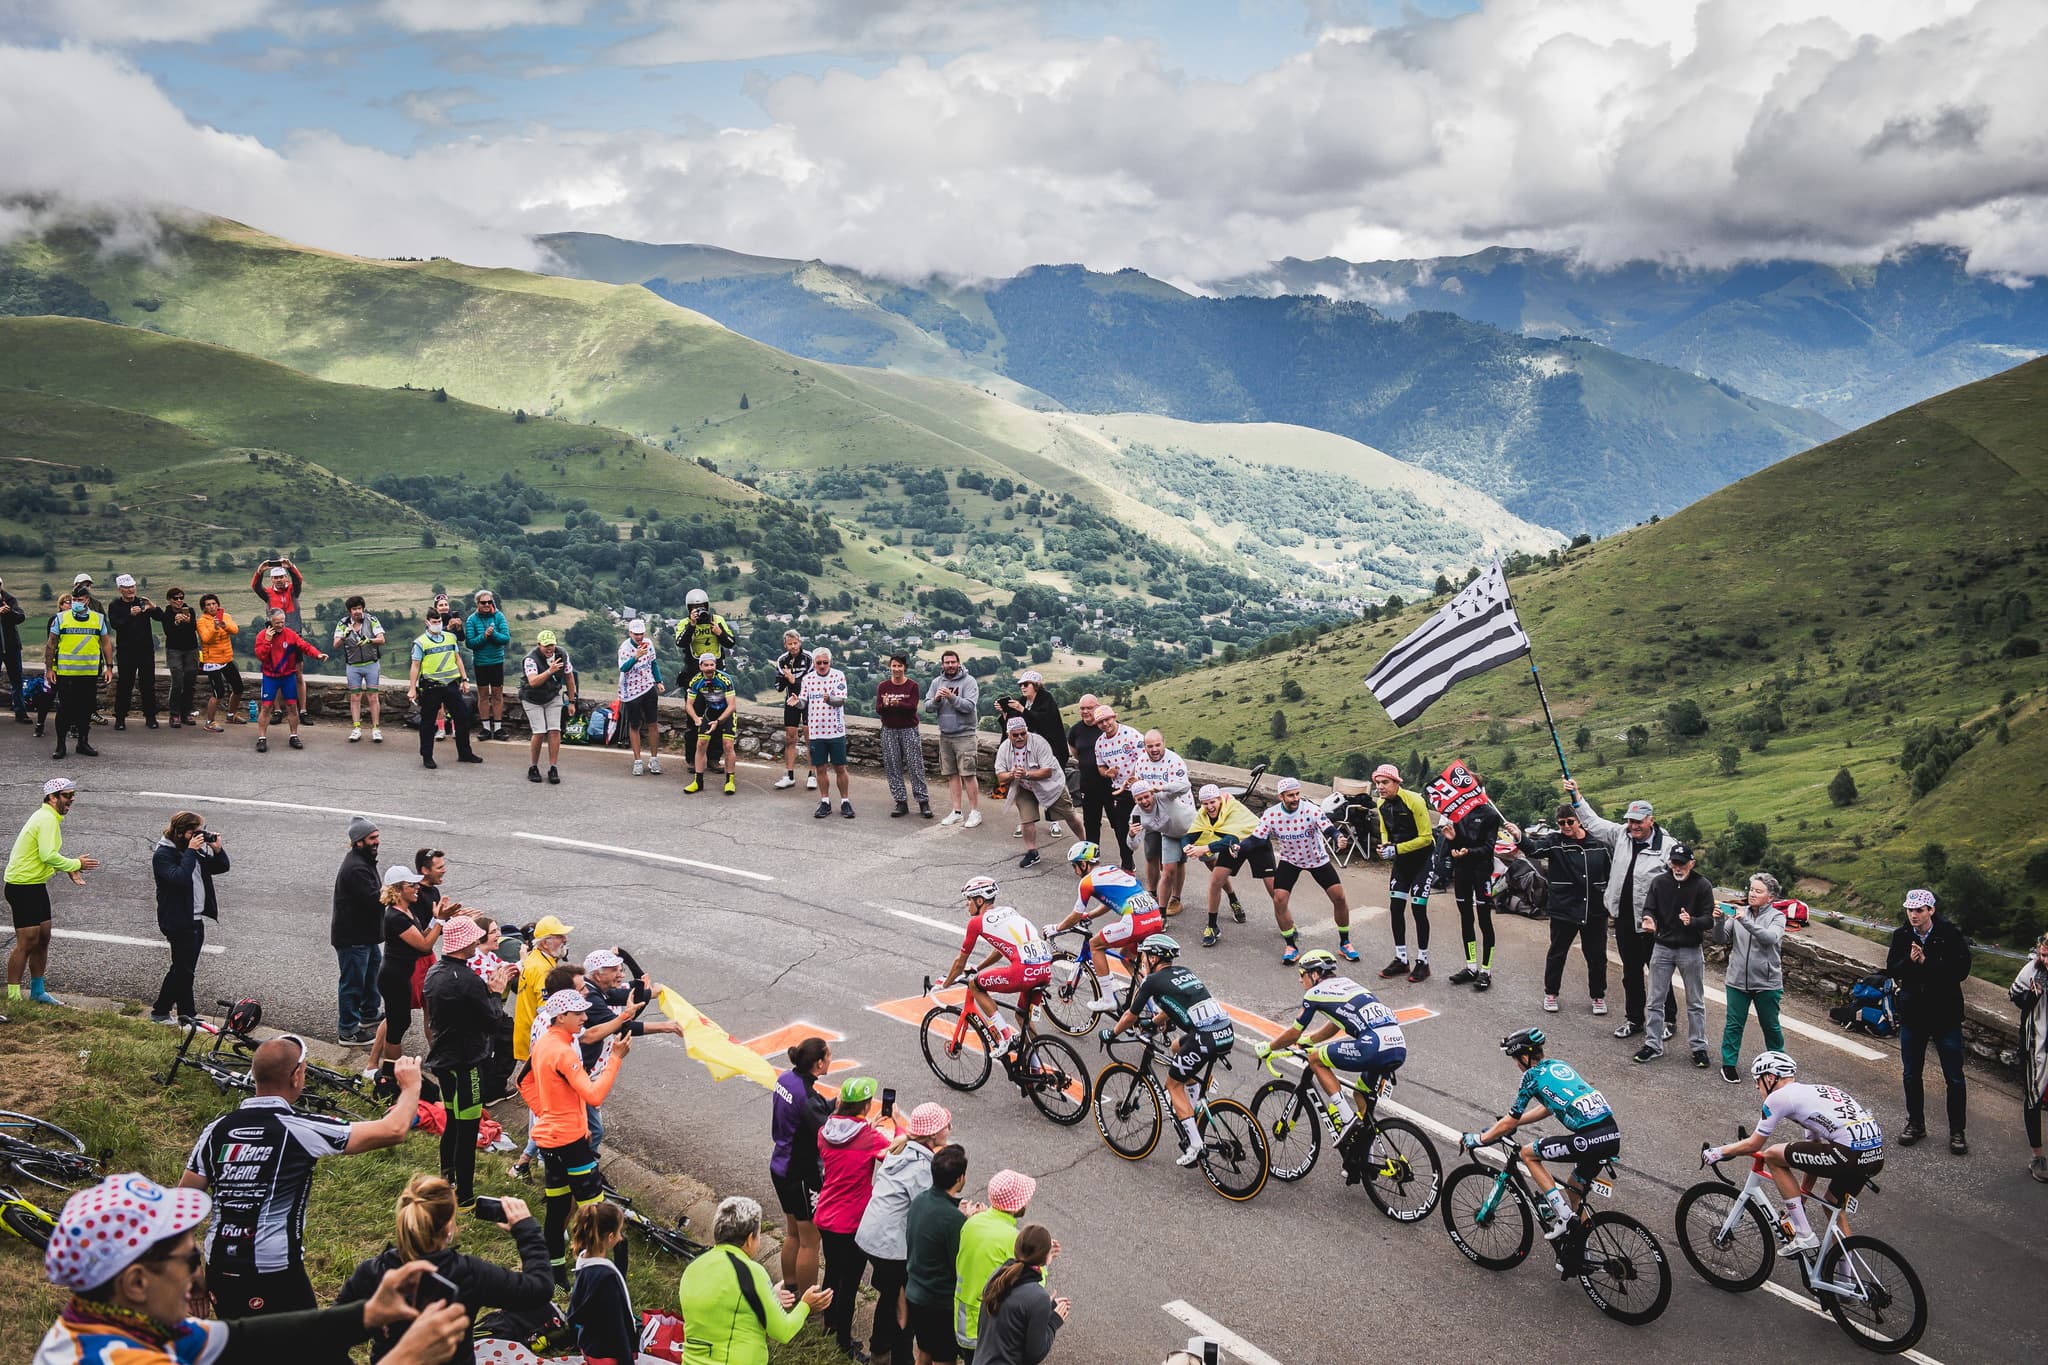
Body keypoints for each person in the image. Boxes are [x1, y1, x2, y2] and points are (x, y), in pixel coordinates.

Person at [37, 1173, 471, 1365]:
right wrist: (406, 1358)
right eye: (190, 1260)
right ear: (135, 1282)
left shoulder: (126, 1323)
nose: (196, 1274)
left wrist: (368, 1314)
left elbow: (248, 1337)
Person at [181, 1042, 425, 1315]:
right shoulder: (300, 1128)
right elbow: (394, 1130)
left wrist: (191, 1269)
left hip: (220, 1268)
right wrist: (411, 1086)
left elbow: (181, 1209)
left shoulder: (215, 1130)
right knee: (309, 1347)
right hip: (276, 1270)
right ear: (296, 1076)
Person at [337, 1176, 551, 1365]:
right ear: (449, 1228)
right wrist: (527, 1230)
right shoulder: (469, 1273)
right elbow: (539, 1289)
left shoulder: (372, 1272)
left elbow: (332, 1335)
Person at [1703, 1052, 1884, 1252]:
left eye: (1758, 1080)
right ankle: (1847, 1280)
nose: (1757, 1086)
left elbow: (1754, 1145)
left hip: (1849, 1154)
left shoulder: (1779, 1098)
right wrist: (1802, 1201)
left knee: (1771, 1155)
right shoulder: (1812, 1095)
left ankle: (1804, 1235)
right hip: (1874, 1156)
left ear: (1770, 1078)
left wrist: (1717, 1152)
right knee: (1832, 1206)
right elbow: (1814, 1154)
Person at [1461, 1028, 1619, 1242]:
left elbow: (1512, 1117)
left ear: (1525, 1057)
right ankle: (1583, 1249)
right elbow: (1548, 1108)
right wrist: (1509, 1123)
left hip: (1589, 1139)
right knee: (1575, 1188)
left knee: (1528, 1154)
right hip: (1611, 1135)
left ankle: (1563, 1217)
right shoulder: (1559, 1065)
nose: (1517, 1065)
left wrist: (1480, 1139)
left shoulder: (1531, 1076)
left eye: (1517, 1059)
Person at [521, 988, 632, 1280]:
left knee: (557, 1213)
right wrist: (616, 1058)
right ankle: (605, 1279)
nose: (585, 1017)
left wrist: (545, 1113)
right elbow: (594, 1095)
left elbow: (523, 1081)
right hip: (570, 1144)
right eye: (578, 1013)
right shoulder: (564, 1052)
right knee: (597, 1216)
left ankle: (557, 1285)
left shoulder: (545, 1042)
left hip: (549, 1141)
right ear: (561, 1017)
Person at [1098, 935, 1234, 1167]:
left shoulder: (1151, 981)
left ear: (1153, 957)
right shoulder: (1184, 971)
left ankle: (1195, 1144)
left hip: (1204, 1037)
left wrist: (1112, 1033)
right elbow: (1180, 1003)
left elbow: (1130, 1015)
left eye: (1143, 957)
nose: (1141, 961)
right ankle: (1194, 1103)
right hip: (1225, 1031)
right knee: (1175, 1047)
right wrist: (1156, 1020)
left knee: (1173, 1084)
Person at [1254, 949, 1407, 1143]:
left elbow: (1294, 1032)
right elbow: (1337, 1023)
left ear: (1315, 974)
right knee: (1361, 1098)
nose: (1301, 980)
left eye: (1302, 974)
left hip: (1373, 1045)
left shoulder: (1315, 993)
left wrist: (1269, 1047)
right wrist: (1310, 1041)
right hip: (1397, 1046)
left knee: (1315, 1059)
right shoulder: (1348, 984)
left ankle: (1346, 1118)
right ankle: (1363, 1163)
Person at [1565, 777, 1675, 1036]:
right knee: (1631, 973)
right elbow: (1593, 822)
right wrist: (1576, 795)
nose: (1633, 826)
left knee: (1659, 973)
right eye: (1630, 820)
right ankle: (1634, 1019)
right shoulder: (1621, 835)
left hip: (1652, 923)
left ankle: (1668, 1021)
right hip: (1625, 918)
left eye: (1638, 821)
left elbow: (1681, 881)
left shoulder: (1667, 847)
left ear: (1651, 820)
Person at [816, 1075, 909, 1356]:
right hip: (851, 1222)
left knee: (832, 1273)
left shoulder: (826, 1130)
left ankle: (828, 1325)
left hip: (825, 1215)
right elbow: (895, 1155)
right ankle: (844, 1343)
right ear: (867, 1105)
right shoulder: (868, 1138)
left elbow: (846, 1145)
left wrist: (862, 1127)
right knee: (849, 1284)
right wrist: (897, 1122)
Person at [677, 1195, 830, 1364]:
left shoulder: (694, 1266)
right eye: (758, 1236)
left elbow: (720, 1305)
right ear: (750, 1239)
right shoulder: (751, 1271)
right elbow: (783, 1331)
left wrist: (768, 1296)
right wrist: (806, 1305)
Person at [857, 1102, 953, 1365]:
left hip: (870, 1236)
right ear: (932, 1135)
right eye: (945, 1125)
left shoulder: (900, 1148)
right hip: (891, 1247)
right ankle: (897, 1358)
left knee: (891, 1297)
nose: (950, 1128)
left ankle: (879, 1351)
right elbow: (926, 1211)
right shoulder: (923, 1168)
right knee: (905, 1309)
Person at [1887, 887, 1973, 1154]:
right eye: (1910, 910)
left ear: (1931, 911)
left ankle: (1957, 1131)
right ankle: (1915, 1123)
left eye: (1919, 910)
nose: (1913, 915)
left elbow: (1961, 971)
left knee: (1954, 1077)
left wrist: (1927, 962)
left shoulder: (1950, 934)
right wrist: (1912, 963)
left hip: (1944, 1014)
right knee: (1911, 1073)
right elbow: (1893, 969)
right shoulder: (1901, 935)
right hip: (1914, 1014)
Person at [422, 915, 498, 1205]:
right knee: (467, 1130)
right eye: (475, 938)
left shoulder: (435, 972)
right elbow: (491, 1022)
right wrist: (494, 992)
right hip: (467, 1064)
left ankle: (446, 1178)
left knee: (452, 1122)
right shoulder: (469, 981)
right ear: (466, 942)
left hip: (443, 1060)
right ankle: (464, 1198)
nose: (478, 943)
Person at [579, 947, 686, 1150]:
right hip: (581, 1071)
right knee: (593, 1130)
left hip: (587, 1069)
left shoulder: (597, 988)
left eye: (620, 969)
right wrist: (665, 1026)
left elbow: (632, 994)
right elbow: (622, 1026)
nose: (620, 974)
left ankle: (534, 1161)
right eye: (614, 970)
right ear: (597, 974)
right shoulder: (591, 998)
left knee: (588, 1126)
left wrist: (653, 991)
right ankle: (584, 1172)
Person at [1508, 805, 1611, 1013]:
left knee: (1597, 956)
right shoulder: (1555, 842)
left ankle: (1598, 996)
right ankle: (1551, 993)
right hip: (1564, 908)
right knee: (1557, 953)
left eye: (1570, 822)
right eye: (1561, 823)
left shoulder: (1600, 844)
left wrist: (1610, 901)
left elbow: (1610, 874)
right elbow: (1534, 849)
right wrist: (1519, 836)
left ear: (1579, 821)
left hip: (1594, 909)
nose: (1566, 826)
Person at [7, 777, 97, 1004]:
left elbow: (45, 856)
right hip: (22, 885)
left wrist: (66, 868)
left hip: (36, 885)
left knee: (43, 937)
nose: (72, 799)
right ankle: (13, 996)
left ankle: (38, 992)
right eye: (67, 796)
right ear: (52, 797)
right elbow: (47, 855)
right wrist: (75, 864)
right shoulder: (46, 819)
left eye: (73, 795)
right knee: (27, 941)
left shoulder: (50, 818)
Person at [1245, 776, 1353, 964]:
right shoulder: (1271, 814)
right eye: (1290, 796)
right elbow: (1255, 839)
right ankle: (1290, 946)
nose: (1295, 799)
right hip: (1290, 860)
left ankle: (1345, 942)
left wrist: (1338, 837)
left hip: (1316, 859)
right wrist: (1239, 847)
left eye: (1297, 794)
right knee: (1279, 899)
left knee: (1339, 897)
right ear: (1281, 797)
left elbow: (1328, 828)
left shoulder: (1310, 809)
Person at [941, 876, 1052, 1053]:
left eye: (969, 900)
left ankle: (1005, 1037)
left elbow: (960, 962)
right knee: (1022, 1017)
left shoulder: (977, 922)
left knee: (975, 985)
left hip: (1023, 971)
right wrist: (978, 967)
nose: (966, 904)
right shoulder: (1009, 911)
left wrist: (944, 984)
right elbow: (1000, 950)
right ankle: (1037, 1069)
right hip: (1045, 970)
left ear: (979, 900)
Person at [1046, 840, 1163, 1007]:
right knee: (1126, 956)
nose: (1075, 871)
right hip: (1154, 916)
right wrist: (1091, 915)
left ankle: (1108, 999)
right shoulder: (1113, 870)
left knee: (1095, 945)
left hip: (1135, 921)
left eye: (1075, 866)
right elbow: (1110, 901)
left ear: (1083, 863)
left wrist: (1055, 928)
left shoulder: (1087, 882)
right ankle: (1152, 1001)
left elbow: (1075, 915)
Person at [1633, 842, 1713, 1067]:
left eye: (1682, 864)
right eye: (1674, 863)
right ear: (1669, 863)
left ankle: (1699, 1047)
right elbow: (1649, 908)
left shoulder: (1702, 885)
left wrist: (1692, 921)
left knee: (1695, 1001)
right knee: (1654, 1000)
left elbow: (1709, 920)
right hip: (1663, 947)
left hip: (1690, 949)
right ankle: (1653, 1044)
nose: (1678, 868)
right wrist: (1649, 919)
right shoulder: (1659, 882)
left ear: (1692, 864)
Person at [149, 810, 229, 1026]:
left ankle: (166, 1013)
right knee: (184, 971)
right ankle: (183, 1017)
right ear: (182, 832)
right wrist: (192, 851)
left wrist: (217, 849)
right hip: (177, 920)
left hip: (194, 918)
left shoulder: (189, 849)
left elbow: (221, 867)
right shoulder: (163, 854)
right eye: (195, 832)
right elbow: (180, 879)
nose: (200, 836)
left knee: (183, 970)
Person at [770, 1036, 834, 1294]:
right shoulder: (808, 1098)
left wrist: (830, 1105)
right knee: (810, 1241)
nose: (831, 1059)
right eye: (828, 1056)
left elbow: (813, 1110)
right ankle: (808, 1303)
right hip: (801, 1174)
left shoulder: (786, 1079)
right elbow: (826, 1130)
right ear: (818, 1064)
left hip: (779, 1165)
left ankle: (791, 1287)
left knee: (792, 1233)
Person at [904, 1144, 977, 1365]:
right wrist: (966, 1221)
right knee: (945, 1359)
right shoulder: (953, 1219)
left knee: (924, 1351)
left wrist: (958, 1213)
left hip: (915, 1293)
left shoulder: (920, 1200)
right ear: (960, 1178)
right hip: (939, 1302)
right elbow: (959, 1262)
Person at [1713, 872, 1788, 1083]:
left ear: (1770, 897)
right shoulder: (1740, 913)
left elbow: (1769, 938)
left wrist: (1744, 921)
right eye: (1751, 889)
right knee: (1734, 1025)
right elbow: (1720, 939)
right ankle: (1728, 1065)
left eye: (1758, 891)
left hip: (1766, 982)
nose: (1752, 894)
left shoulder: (1777, 917)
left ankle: (1780, 1065)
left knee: (1770, 1026)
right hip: (1737, 980)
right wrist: (1718, 921)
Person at [1183, 782, 1275, 949]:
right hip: (1232, 846)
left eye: (1213, 802)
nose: (1210, 807)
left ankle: (1287, 924)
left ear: (1219, 800)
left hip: (1256, 844)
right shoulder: (1202, 815)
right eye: (1205, 803)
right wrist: (1186, 846)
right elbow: (1190, 835)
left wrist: (1204, 848)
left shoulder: (1232, 808)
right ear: (1201, 804)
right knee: (1215, 881)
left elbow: (1231, 838)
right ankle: (1212, 926)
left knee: (1273, 887)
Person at [369, 864, 441, 1075]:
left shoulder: (406, 911)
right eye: (412, 885)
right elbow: (425, 946)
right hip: (394, 977)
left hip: (400, 974)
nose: (417, 887)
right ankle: (391, 1072)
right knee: (397, 1025)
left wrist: (437, 919)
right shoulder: (396, 917)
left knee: (400, 1021)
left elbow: (423, 935)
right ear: (398, 890)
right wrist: (441, 921)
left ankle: (390, 1069)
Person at [954, 1170, 1035, 1358]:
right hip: (988, 1326)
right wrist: (1043, 1259)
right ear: (1016, 1206)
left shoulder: (972, 1222)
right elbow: (1034, 1282)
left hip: (964, 1318)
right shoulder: (1012, 1239)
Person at [1439, 762, 1504, 988]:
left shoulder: (1490, 814)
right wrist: (1452, 840)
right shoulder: (1457, 814)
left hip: (1482, 872)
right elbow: (1456, 846)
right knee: (1466, 919)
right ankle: (1471, 966)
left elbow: (1489, 847)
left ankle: (1486, 971)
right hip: (1463, 872)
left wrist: (1469, 851)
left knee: (1484, 921)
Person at [1371, 764, 1437, 981]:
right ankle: (1401, 959)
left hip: (1422, 860)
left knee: (1418, 909)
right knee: (1396, 907)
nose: (1380, 787)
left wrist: (1396, 849)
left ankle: (1423, 961)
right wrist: (1385, 845)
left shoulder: (1415, 801)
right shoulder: (1381, 803)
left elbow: (1426, 837)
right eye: (1377, 783)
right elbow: (1384, 828)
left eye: (1385, 782)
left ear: (1397, 783)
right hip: (1402, 862)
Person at [974, 1225, 1067, 1365]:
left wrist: (1043, 1310)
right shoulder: (1038, 1297)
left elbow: (1013, 1315)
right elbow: (1035, 1354)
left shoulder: (999, 1275)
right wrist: (1054, 1321)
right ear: (1045, 1257)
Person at [996, 717, 1079, 869]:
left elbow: (1047, 771)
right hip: (1023, 786)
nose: (1020, 737)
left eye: (1023, 733)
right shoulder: (1004, 748)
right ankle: (1032, 852)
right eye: (1015, 735)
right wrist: (1011, 775)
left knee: (1069, 815)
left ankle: (1086, 843)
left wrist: (1026, 774)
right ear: (1009, 735)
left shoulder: (1039, 742)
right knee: (1026, 820)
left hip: (1051, 785)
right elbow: (1000, 775)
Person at [332, 816, 385, 1046]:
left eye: (377, 837)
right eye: (372, 838)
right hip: (353, 938)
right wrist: (397, 892)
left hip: (365, 935)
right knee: (353, 983)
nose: (377, 841)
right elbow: (375, 900)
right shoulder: (356, 868)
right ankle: (347, 1031)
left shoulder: (363, 860)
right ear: (359, 841)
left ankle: (369, 1013)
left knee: (372, 974)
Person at [997, 672, 1068, 837]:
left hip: (1048, 749)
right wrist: (1005, 713)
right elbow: (1012, 726)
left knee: (1050, 785)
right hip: (1026, 751)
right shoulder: (1022, 701)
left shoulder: (1046, 699)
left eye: (1026, 684)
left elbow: (1045, 721)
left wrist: (1021, 710)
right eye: (1020, 685)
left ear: (1035, 685)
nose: (1022, 687)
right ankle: (1026, 821)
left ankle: (1054, 821)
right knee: (1024, 785)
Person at [566, 1202, 638, 1365]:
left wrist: (621, 1253)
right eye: (619, 1232)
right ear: (610, 1237)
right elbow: (617, 1329)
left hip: (589, 1344)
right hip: (608, 1355)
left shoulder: (584, 1260)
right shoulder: (606, 1279)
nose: (621, 1237)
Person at [410, 612, 481, 770]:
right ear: (427, 622)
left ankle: (465, 752)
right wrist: (412, 688)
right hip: (431, 686)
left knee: (462, 717)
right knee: (428, 722)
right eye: (434, 621)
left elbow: (457, 659)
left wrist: (464, 679)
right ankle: (427, 756)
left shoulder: (450, 637)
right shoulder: (420, 642)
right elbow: (415, 666)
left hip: (451, 684)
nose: (437, 624)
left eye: (439, 621)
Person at [1127, 731, 1190, 906]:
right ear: (1144, 746)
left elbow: (1184, 785)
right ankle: (1152, 892)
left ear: (1164, 743)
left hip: (1175, 815)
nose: (1154, 749)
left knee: (1176, 860)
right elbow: (1139, 789)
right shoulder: (1141, 762)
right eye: (1150, 746)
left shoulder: (1174, 761)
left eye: (1157, 745)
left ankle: (1176, 897)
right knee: (1150, 853)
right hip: (1151, 814)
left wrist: (1160, 789)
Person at [673, 587, 736, 762]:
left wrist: (719, 632)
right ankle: (692, 759)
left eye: (702, 607)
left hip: (716, 677)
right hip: (694, 676)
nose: (699, 610)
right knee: (694, 719)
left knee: (717, 717)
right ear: (689, 609)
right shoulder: (684, 624)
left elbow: (731, 643)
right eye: (695, 607)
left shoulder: (717, 620)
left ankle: (714, 758)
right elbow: (681, 642)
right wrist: (692, 625)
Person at [47, 587, 111, 759]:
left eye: (80, 600)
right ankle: (60, 745)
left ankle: (83, 742)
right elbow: (51, 644)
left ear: (87, 601)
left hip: (89, 673)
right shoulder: (61, 618)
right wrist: (49, 669)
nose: (75, 603)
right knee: (64, 710)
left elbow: (106, 643)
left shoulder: (98, 619)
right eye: (73, 599)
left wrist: (109, 667)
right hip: (66, 673)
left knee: (86, 710)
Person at [252, 608, 326, 753]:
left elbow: (304, 646)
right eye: (276, 622)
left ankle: (294, 735)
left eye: (282, 622)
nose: (280, 625)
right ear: (270, 621)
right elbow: (260, 655)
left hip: (288, 677)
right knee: (266, 707)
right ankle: (261, 738)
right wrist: (267, 641)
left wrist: (317, 655)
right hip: (270, 677)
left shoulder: (290, 634)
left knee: (292, 706)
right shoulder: (262, 635)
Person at [924, 650, 981, 828]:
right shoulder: (937, 682)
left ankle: (974, 812)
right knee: (952, 775)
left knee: (968, 774)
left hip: (965, 735)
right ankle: (956, 811)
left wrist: (951, 697)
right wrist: (937, 700)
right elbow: (927, 706)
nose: (950, 665)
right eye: (946, 662)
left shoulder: (969, 681)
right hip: (945, 735)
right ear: (942, 664)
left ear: (958, 663)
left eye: (952, 662)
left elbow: (969, 707)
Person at [2009, 933, 2048, 1182]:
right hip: (2037, 1044)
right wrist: (2030, 998)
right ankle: (2037, 1156)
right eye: (2043, 955)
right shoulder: (2031, 970)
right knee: (2033, 1097)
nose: (2045, 960)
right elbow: (2014, 996)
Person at [252, 557, 308, 720]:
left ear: (286, 578)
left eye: (282, 576)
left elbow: (299, 580)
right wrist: (259, 572)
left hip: (294, 635)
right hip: (274, 637)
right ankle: (277, 711)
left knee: (298, 673)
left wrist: (290, 567)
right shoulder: (268, 594)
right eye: (276, 577)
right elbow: (255, 586)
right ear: (272, 580)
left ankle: (302, 710)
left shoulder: (293, 590)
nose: (279, 580)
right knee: (274, 673)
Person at [1128, 776, 1194, 913]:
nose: (1144, 801)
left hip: (1194, 829)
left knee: (1214, 864)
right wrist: (1132, 834)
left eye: (1146, 796)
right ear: (1135, 800)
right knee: (1170, 869)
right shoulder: (1136, 814)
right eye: (1139, 799)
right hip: (1171, 836)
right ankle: (1170, 903)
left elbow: (1186, 786)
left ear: (1152, 794)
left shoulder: (1163, 796)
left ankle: (1232, 897)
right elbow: (1133, 846)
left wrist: (1163, 788)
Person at [801, 646, 854, 819]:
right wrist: (795, 702)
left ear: (830, 662)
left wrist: (830, 699)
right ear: (814, 663)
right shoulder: (807, 679)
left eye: (825, 662)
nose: (822, 666)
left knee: (840, 767)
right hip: (816, 732)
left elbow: (841, 701)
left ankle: (845, 801)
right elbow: (803, 702)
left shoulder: (838, 675)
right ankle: (825, 801)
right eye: (819, 663)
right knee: (820, 768)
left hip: (835, 730)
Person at [878, 653, 933, 818]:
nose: (896, 669)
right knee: (892, 766)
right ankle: (900, 802)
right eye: (893, 666)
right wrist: (885, 705)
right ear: (890, 667)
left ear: (905, 668)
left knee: (915, 765)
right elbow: (878, 709)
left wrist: (897, 703)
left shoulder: (912, 686)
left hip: (908, 729)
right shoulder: (883, 686)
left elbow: (912, 707)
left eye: (899, 666)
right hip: (889, 729)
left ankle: (923, 801)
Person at [519, 628, 576, 784]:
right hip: (531, 698)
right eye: (546, 646)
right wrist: (550, 671)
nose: (550, 649)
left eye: (552, 645)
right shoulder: (530, 659)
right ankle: (533, 766)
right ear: (539, 645)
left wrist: (572, 701)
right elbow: (533, 682)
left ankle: (553, 767)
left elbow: (569, 678)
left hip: (552, 696)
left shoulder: (562, 654)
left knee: (554, 729)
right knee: (539, 731)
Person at [107, 573, 163, 730]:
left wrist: (154, 607)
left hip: (145, 650)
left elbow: (161, 617)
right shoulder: (115, 605)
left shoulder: (142, 602)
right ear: (120, 590)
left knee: (148, 685)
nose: (131, 590)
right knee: (125, 685)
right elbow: (116, 624)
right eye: (127, 587)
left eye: (132, 586)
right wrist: (130, 615)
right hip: (126, 651)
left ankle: (150, 717)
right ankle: (120, 718)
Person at [1090, 706, 1143, 871]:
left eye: (1107, 720)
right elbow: (1100, 767)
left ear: (1114, 717)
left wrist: (1132, 778)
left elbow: (1144, 758)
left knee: (1149, 829)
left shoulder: (1131, 735)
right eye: (1100, 722)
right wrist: (1107, 773)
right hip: (1120, 791)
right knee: (1121, 829)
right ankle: (1127, 864)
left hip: (1141, 789)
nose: (1105, 724)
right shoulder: (1099, 743)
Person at [684, 651, 740, 795]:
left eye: (712, 665)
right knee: (701, 744)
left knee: (728, 745)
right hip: (710, 712)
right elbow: (689, 705)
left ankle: (730, 781)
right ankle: (698, 781)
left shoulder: (725, 679)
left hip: (726, 713)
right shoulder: (696, 681)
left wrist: (719, 721)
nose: (710, 668)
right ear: (700, 666)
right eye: (706, 665)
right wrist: (696, 719)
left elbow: (732, 705)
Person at [334, 595, 387, 743]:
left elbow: (382, 639)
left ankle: (376, 728)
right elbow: (336, 645)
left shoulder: (372, 620)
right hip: (353, 666)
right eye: (354, 609)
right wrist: (344, 636)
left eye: (359, 608)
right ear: (349, 611)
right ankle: (356, 728)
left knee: (373, 696)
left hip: (371, 664)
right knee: (355, 697)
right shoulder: (343, 623)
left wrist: (369, 640)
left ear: (363, 609)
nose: (357, 611)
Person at [615, 618, 663, 775]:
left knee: (653, 723)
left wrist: (658, 680)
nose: (639, 637)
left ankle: (654, 759)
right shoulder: (625, 648)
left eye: (641, 634)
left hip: (648, 686)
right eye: (636, 634)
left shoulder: (648, 644)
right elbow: (623, 668)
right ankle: (637, 761)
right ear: (630, 633)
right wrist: (636, 656)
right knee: (634, 725)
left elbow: (653, 663)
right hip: (632, 691)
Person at [462, 590, 513, 740]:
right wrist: (484, 636)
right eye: (483, 602)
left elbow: (505, 638)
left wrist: (493, 634)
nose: (486, 605)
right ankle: (485, 728)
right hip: (481, 663)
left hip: (497, 662)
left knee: (497, 695)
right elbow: (470, 643)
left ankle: (498, 728)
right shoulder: (472, 620)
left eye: (489, 602)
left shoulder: (499, 616)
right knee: (483, 695)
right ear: (477, 604)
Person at [774, 628, 815, 792]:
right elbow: (778, 687)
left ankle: (812, 775)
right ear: (785, 645)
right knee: (790, 738)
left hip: (808, 701)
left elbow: (811, 684)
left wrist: (793, 679)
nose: (793, 646)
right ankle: (789, 776)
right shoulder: (781, 660)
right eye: (789, 644)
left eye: (795, 643)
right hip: (791, 701)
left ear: (800, 642)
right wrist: (786, 679)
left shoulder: (809, 658)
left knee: (809, 738)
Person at [1066, 694, 1108, 850]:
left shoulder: (1107, 726)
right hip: (1088, 785)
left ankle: (1127, 863)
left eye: (1089, 708)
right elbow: (1076, 753)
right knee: (1091, 825)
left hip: (1111, 785)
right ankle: (1092, 859)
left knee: (1119, 824)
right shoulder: (1075, 730)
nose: (1085, 711)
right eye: (1082, 708)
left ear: (1097, 707)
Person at [195, 592, 242, 731]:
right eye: (208, 605)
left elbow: (235, 630)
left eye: (214, 604)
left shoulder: (226, 616)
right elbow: (205, 639)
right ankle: (209, 722)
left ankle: (231, 715)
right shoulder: (201, 621)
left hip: (226, 659)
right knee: (218, 693)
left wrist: (224, 625)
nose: (211, 607)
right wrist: (215, 629)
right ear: (204, 608)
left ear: (218, 604)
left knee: (238, 688)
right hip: (212, 661)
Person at [159, 587, 200, 730]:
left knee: (190, 681)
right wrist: (176, 623)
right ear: (169, 600)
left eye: (181, 597)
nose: (179, 600)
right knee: (177, 682)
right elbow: (168, 632)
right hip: (174, 650)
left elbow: (194, 628)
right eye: (175, 598)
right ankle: (174, 714)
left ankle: (186, 712)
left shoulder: (190, 610)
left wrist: (188, 622)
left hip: (191, 649)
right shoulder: (167, 614)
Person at [0, 573, 26, 724]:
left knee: (17, 680)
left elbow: (20, 617)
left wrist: (9, 612)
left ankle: (20, 712)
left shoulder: (9, 599)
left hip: (11, 646)